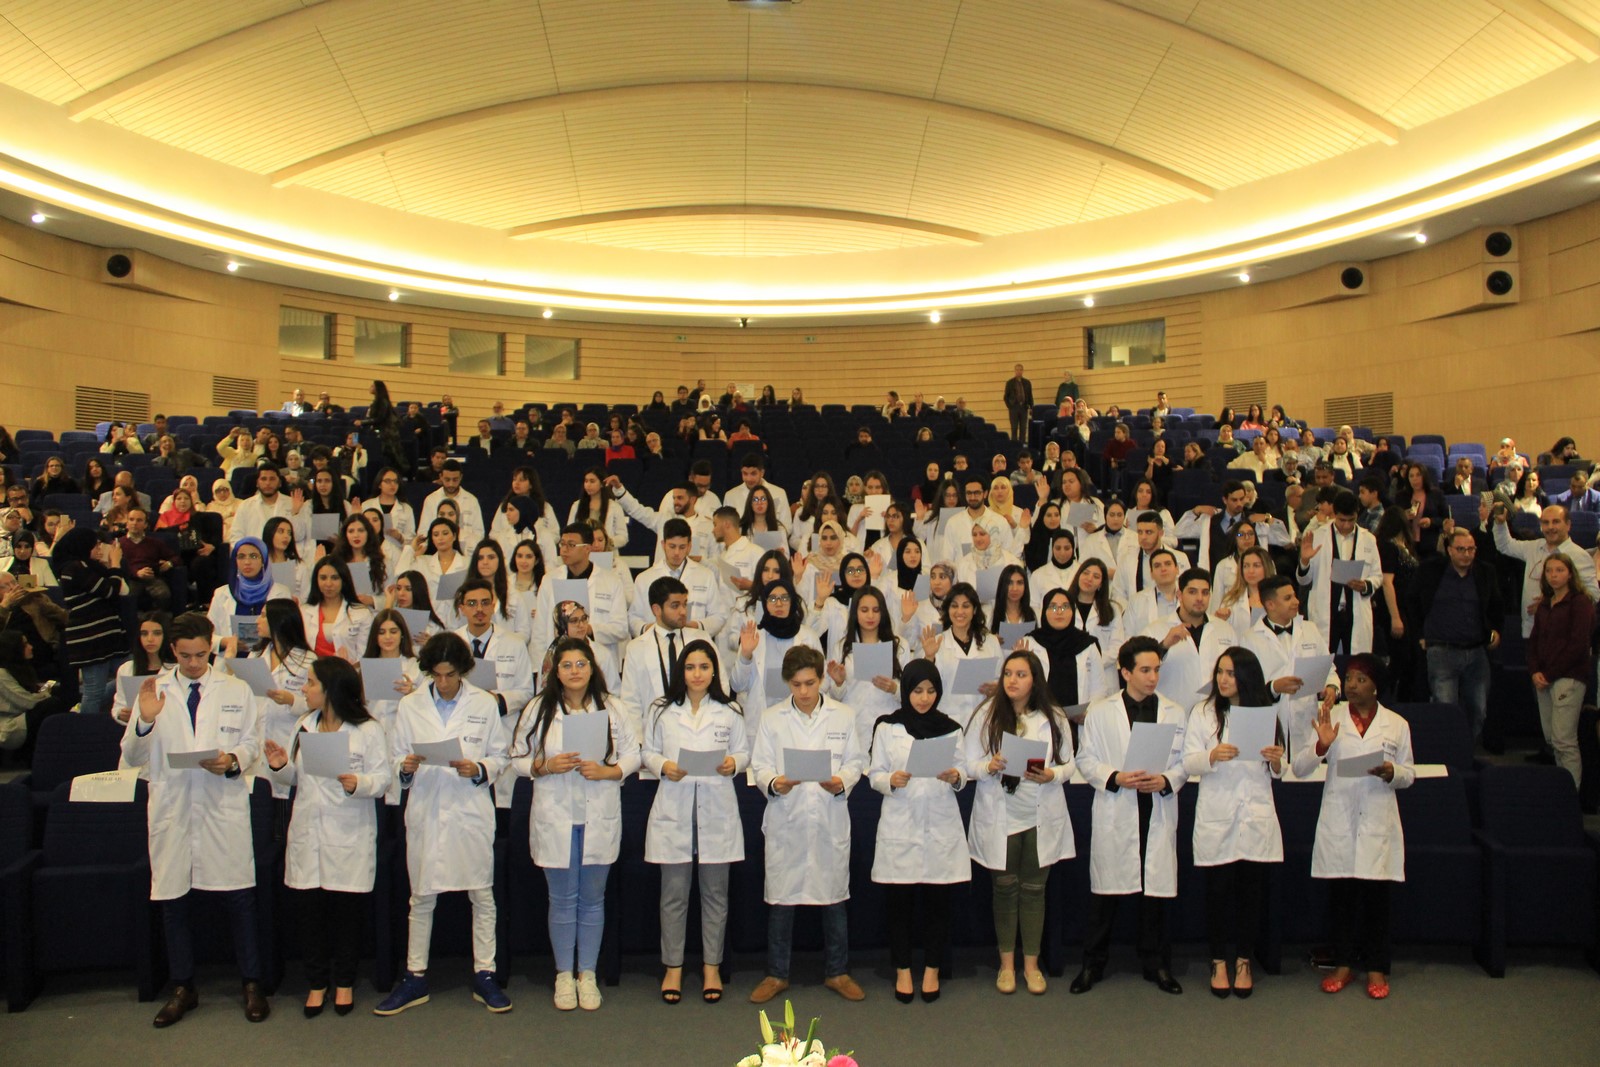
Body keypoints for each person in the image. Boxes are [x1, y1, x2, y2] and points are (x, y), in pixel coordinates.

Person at [121, 612, 267, 1026]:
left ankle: (252, 982)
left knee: (239, 898)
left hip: (221, 803)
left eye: (201, 655)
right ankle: (183, 986)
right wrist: (146, 720)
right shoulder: (153, 690)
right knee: (174, 901)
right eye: (185, 656)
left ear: (211, 648)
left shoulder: (236, 689)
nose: (193, 663)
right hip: (174, 807)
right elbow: (131, 756)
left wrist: (232, 759)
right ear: (173, 651)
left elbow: (252, 742)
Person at [376, 632, 513, 1016]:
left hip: (469, 809)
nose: (444, 682)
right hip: (428, 808)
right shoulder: (411, 705)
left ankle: (485, 973)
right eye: (436, 675)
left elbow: (500, 756)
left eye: (451, 675)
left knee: (481, 894)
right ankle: (414, 976)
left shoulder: (483, 704)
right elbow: (396, 755)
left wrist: (479, 768)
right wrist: (405, 767)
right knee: (421, 896)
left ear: (463, 671)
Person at [510, 634, 638, 1012]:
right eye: (566, 665)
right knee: (563, 899)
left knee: (593, 899)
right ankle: (564, 974)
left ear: (592, 668)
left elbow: (634, 754)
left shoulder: (612, 707)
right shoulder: (538, 708)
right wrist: (545, 766)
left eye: (581, 664)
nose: (574, 671)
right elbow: (517, 758)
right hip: (556, 816)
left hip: (598, 813)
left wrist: (609, 771)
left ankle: (588, 973)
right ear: (555, 671)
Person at [261, 657, 390, 1017]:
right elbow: (295, 778)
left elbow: (383, 779)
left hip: (348, 831)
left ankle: (344, 982)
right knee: (310, 914)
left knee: (347, 914)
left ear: (330, 689)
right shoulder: (304, 725)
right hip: (308, 832)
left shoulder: (368, 730)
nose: (304, 689)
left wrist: (357, 783)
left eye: (311, 683)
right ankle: (317, 983)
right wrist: (279, 765)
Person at [748, 645, 868, 1005]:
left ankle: (838, 971)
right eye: (797, 684)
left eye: (810, 683)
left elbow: (856, 760)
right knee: (782, 900)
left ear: (821, 679)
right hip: (788, 816)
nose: (803, 692)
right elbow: (760, 765)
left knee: (834, 898)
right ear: (788, 682)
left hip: (829, 814)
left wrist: (841, 781)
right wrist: (775, 783)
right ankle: (776, 974)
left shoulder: (843, 715)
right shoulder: (772, 718)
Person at [1073, 635, 1189, 996]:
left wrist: (1167, 780)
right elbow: (1085, 759)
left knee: (1154, 895)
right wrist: (1115, 777)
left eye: (1156, 670)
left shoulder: (1174, 711)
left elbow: (1184, 761)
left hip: (1155, 805)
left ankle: (1157, 964)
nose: (1153, 677)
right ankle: (1093, 964)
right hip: (1118, 804)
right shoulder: (1101, 711)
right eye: (1145, 670)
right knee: (1105, 896)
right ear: (1125, 672)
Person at [1294, 655, 1414, 999]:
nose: (1351, 685)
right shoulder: (1329, 717)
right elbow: (1300, 767)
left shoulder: (1397, 724)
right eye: (1348, 678)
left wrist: (1392, 772)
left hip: (1377, 819)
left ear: (1376, 686)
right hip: (1341, 820)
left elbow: (1409, 773)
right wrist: (1322, 745)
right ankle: (1343, 965)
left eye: (1361, 679)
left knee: (1377, 901)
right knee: (1342, 899)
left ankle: (1376, 968)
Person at [641, 638, 746, 1004]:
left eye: (703, 667)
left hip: (716, 809)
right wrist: (663, 766)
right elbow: (648, 751)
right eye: (690, 667)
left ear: (714, 671)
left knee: (715, 895)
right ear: (681, 672)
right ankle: (672, 966)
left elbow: (744, 751)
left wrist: (734, 763)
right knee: (673, 896)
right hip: (675, 807)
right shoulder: (662, 710)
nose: (697, 674)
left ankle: (711, 966)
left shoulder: (730, 710)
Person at [963, 650, 1073, 996]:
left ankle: (1032, 965)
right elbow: (968, 764)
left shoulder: (1053, 716)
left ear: (1035, 680)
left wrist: (1052, 774)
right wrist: (989, 766)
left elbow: (1070, 763)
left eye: (1021, 674)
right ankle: (1007, 965)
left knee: (1034, 890)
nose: (1012, 680)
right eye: (1008, 673)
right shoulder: (986, 714)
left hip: (1039, 815)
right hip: (1001, 815)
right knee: (1005, 889)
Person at [1182, 648, 1283, 998]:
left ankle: (1243, 960)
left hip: (1254, 813)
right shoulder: (1203, 712)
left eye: (1231, 673)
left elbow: (1278, 770)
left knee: (1250, 893)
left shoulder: (1265, 714)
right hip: (1218, 811)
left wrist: (1276, 760)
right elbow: (1188, 762)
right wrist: (1211, 755)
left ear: (1247, 677)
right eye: (1220, 672)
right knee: (1218, 892)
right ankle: (1218, 961)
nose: (1223, 680)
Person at [1411, 528, 1503, 743]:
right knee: (1445, 708)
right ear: (1449, 550)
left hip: (1476, 651)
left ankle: (1466, 748)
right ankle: (1448, 751)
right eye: (1461, 549)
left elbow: (1497, 605)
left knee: (1478, 709)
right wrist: (1420, 634)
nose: (1466, 554)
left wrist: (1496, 631)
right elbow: (1412, 601)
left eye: (1471, 549)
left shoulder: (1485, 572)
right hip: (1441, 650)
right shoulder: (1430, 571)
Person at [1526, 555, 1592, 788]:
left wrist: (1550, 674)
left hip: (1569, 677)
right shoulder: (1546, 604)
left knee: (1564, 740)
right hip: (1544, 677)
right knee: (1552, 739)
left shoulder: (1580, 603)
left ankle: (1571, 794)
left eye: (1559, 570)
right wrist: (1535, 670)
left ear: (1570, 573)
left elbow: (1578, 645)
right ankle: (1561, 788)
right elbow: (1534, 641)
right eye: (1549, 571)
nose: (1553, 575)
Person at [1491, 503, 1599, 636]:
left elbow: (1593, 595)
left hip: (1563, 634)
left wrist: (1552, 604)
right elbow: (1505, 545)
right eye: (1546, 522)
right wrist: (1500, 523)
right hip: (1531, 630)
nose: (1550, 527)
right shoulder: (1533, 547)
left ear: (1568, 525)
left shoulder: (1579, 556)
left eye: (1556, 522)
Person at [51, 527, 127, 716]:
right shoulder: (74, 568)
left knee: (130, 675)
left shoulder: (89, 567)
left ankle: (82, 712)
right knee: (94, 692)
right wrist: (115, 564)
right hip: (91, 640)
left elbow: (122, 589)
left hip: (107, 636)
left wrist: (110, 568)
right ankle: (84, 727)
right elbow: (110, 591)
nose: (99, 549)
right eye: (95, 545)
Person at [1296, 491, 1381, 656]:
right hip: (1326, 611)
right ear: (1335, 514)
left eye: (1351, 520)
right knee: (1324, 659)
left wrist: (1366, 585)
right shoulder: (1318, 536)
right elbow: (1304, 580)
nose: (1346, 525)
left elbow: (1377, 575)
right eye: (1342, 520)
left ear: (1357, 515)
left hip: (1355, 610)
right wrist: (1305, 561)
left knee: (1356, 661)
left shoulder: (1368, 539)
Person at [0, 629, 65, 764]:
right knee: (51, 704)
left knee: (55, 697)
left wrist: (42, 692)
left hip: (19, 715)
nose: (31, 647)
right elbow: (26, 702)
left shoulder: (18, 669)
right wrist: (45, 694)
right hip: (8, 726)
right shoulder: (2, 675)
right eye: (25, 644)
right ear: (14, 649)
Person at [1003, 364, 1033, 443]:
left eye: (1020, 370)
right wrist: (1010, 406)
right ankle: (1014, 445)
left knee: (1023, 428)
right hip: (1014, 407)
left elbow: (1030, 396)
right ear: (1015, 371)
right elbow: (1006, 397)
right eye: (1017, 370)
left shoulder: (1027, 383)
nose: (1018, 371)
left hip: (1024, 407)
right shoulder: (1010, 383)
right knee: (1014, 428)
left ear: (1022, 371)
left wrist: (1031, 407)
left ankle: (1022, 444)